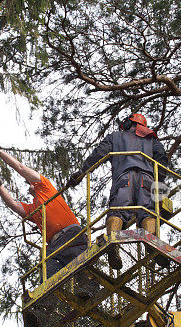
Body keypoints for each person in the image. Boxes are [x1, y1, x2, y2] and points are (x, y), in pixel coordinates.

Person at [68, 113, 169, 270]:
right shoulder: (151, 139)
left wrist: (82, 173)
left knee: (117, 211)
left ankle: (113, 244)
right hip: (147, 180)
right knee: (148, 212)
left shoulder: (115, 137)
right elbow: (162, 158)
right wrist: (159, 182)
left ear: (129, 123)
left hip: (124, 178)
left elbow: (98, 154)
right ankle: (151, 242)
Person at [0, 142, 88, 281]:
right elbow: (13, 205)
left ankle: (88, 289)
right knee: (48, 273)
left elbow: (20, 168)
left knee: (83, 271)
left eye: (30, 181)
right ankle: (53, 301)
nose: (30, 183)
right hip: (54, 245)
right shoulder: (33, 209)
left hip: (71, 234)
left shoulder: (46, 187)